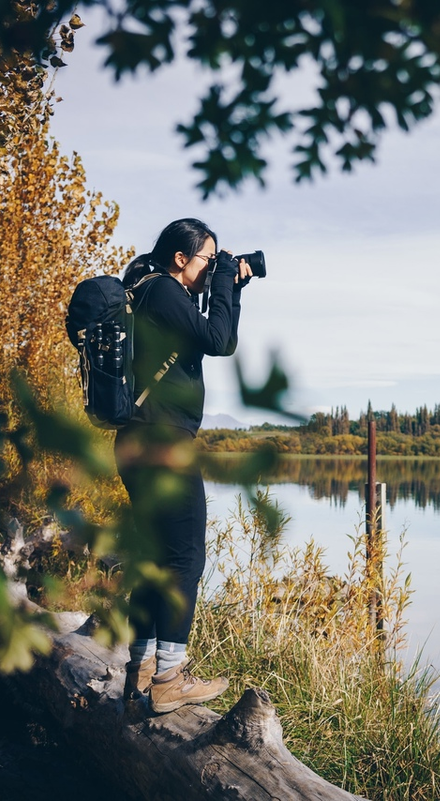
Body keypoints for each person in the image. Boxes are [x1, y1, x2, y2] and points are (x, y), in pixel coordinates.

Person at [114, 218, 252, 713]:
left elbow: (212, 336)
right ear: (180, 259)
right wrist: (223, 285)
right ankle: (170, 677)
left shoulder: (142, 289)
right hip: (163, 443)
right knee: (185, 558)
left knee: (155, 558)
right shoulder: (164, 292)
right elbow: (220, 340)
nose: (212, 267)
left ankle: (142, 671)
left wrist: (225, 284)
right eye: (206, 259)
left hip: (138, 441)